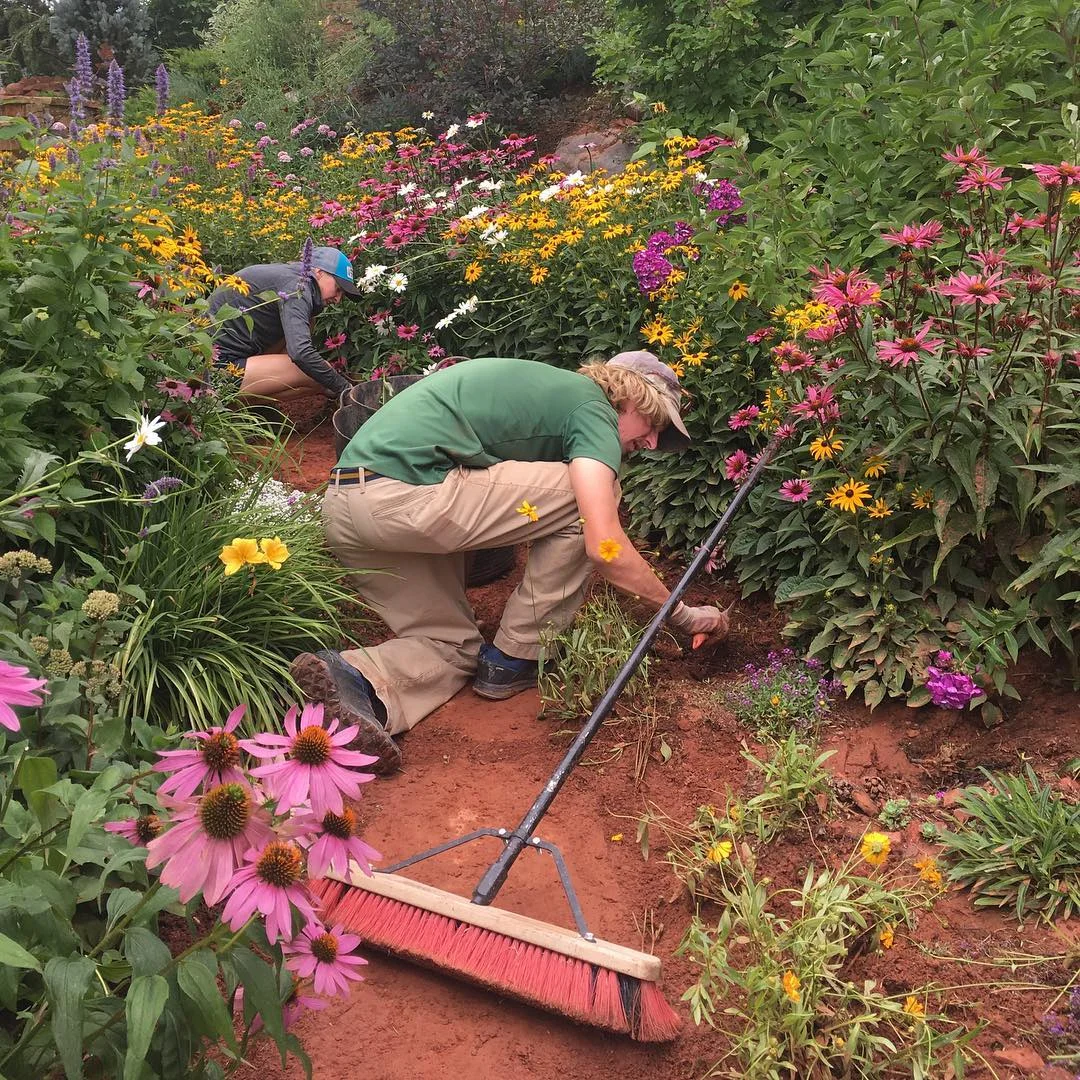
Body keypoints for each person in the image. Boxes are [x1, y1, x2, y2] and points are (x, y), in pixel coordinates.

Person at [291, 351, 729, 773]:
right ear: (630, 398)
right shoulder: (593, 406)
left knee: (452, 648)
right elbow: (604, 543)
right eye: (654, 424)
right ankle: (516, 656)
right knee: (593, 499)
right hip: (405, 497)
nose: (652, 443)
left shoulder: (546, 398)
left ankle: (355, 682)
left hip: (347, 509)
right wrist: (683, 615)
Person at [208, 246, 358, 405]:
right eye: (338, 289)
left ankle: (249, 407)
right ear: (319, 272)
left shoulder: (291, 278)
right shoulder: (296, 288)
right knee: (317, 374)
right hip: (214, 371)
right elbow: (301, 353)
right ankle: (230, 405)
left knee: (316, 365)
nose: (338, 299)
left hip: (220, 359)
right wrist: (344, 388)